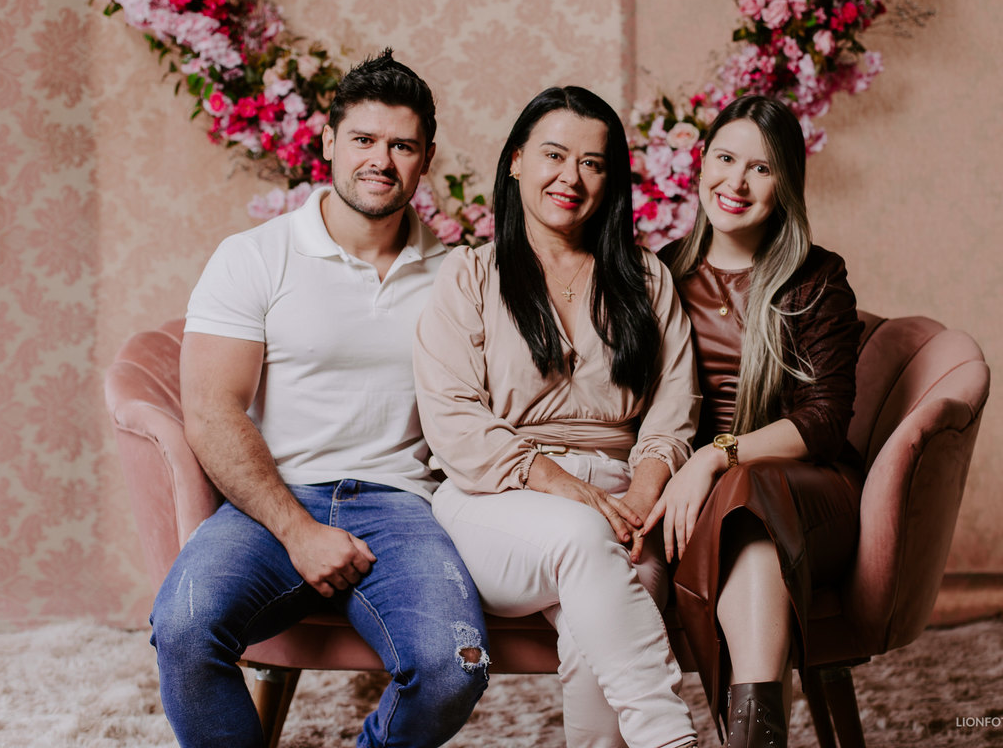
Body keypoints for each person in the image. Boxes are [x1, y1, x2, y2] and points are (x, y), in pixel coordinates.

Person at [149, 49, 489, 748]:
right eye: (364, 139)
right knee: (182, 629)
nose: (381, 161)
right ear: (329, 141)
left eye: (402, 146)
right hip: (272, 498)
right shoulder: (254, 255)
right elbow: (212, 411)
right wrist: (297, 531)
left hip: (403, 505)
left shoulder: (461, 274)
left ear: (425, 159)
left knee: (454, 667)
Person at [413, 86, 699, 748]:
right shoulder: (469, 275)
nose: (571, 176)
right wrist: (565, 486)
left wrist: (643, 497)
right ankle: (671, 738)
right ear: (516, 161)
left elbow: (674, 407)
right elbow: (452, 418)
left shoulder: (645, 278)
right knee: (581, 539)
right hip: (493, 500)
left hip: (623, 504)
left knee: (602, 634)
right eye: (553, 155)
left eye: (592, 163)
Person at [644, 95, 864, 748]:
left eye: (761, 168)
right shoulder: (660, 273)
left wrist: (716, 456)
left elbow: (825, 419)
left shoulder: (817, 277)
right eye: (725, 158)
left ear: (786, 184)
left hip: (804, 490)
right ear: (701, 163)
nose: (736, 182)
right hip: (698, 502)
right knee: (739, 502)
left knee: (747, 490)